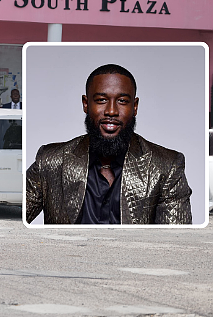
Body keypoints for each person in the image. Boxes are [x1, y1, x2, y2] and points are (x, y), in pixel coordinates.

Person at [26, 64, 192, 225]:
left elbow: (175, 241)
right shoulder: (50, 162)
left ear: (134, 107)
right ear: (86, 104)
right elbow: (11, 225)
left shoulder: (167, 166)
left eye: (122, 101)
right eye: (101, 100)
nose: (111, 111)